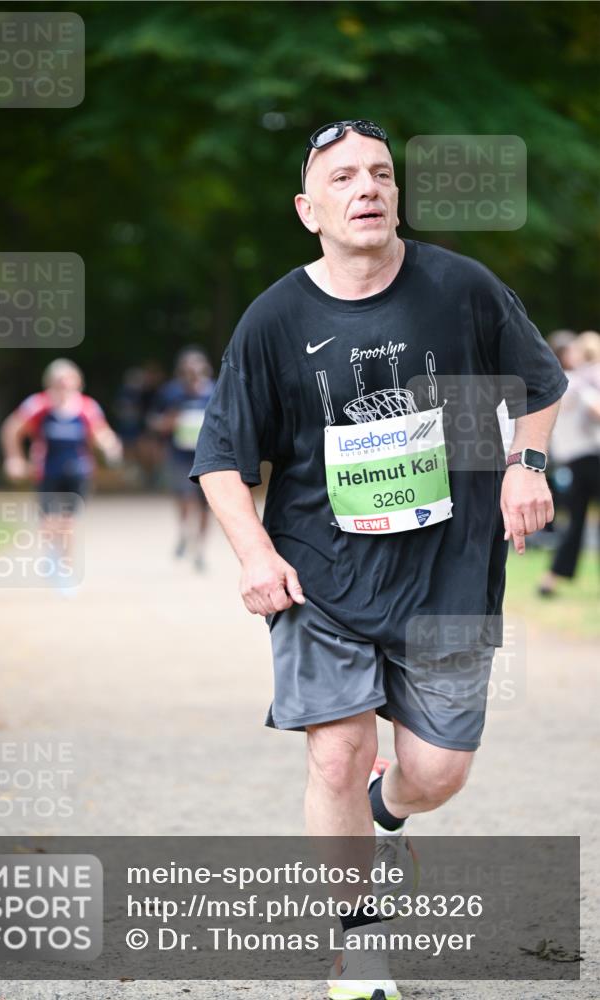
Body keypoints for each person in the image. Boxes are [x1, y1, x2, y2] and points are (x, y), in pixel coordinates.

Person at [190, 119, 568, 1000]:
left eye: (381, 174)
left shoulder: (460, 288)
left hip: (449, 572)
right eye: (344, 178)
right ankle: (355, 949)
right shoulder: (276, 318)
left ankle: (383, 811)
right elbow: (219, 458)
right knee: (335, 752)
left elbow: (541, 384)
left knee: (436, 774)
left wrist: (525, 463)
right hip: (321, 573)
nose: (366, 188)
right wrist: (254, 556)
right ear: (307, 210)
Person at [1, 358, 122, 586]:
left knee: (68, 521)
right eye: (59, 382)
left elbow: (100, 432)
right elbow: (12, 429)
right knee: (49, 520)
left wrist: (110, 446)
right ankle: (52, 554)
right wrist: (14, 458)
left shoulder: (87, 407)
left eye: (68, 382)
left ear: (78, 383)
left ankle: (65, 568)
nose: (64, 387)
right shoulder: (38, 405)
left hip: (78, 471)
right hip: (47, 470)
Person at [539, 330, 600, 596]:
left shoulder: (550, 385)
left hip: (570, 464)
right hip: (591, 460)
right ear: (566, 355)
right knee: (576, 523)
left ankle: (550, 580)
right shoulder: (577, 383)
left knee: (574, 523)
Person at [150, 348, 215, 571]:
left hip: (209, 456)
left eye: (197, 371)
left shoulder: (215, 391)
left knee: (206, 505)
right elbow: (154, 422)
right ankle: (185, 532)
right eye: (188, 372)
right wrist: (169, 421)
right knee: (185, 497)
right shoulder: (170, 393)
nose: (193, 376)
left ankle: (200, 549)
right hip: (180, 456)